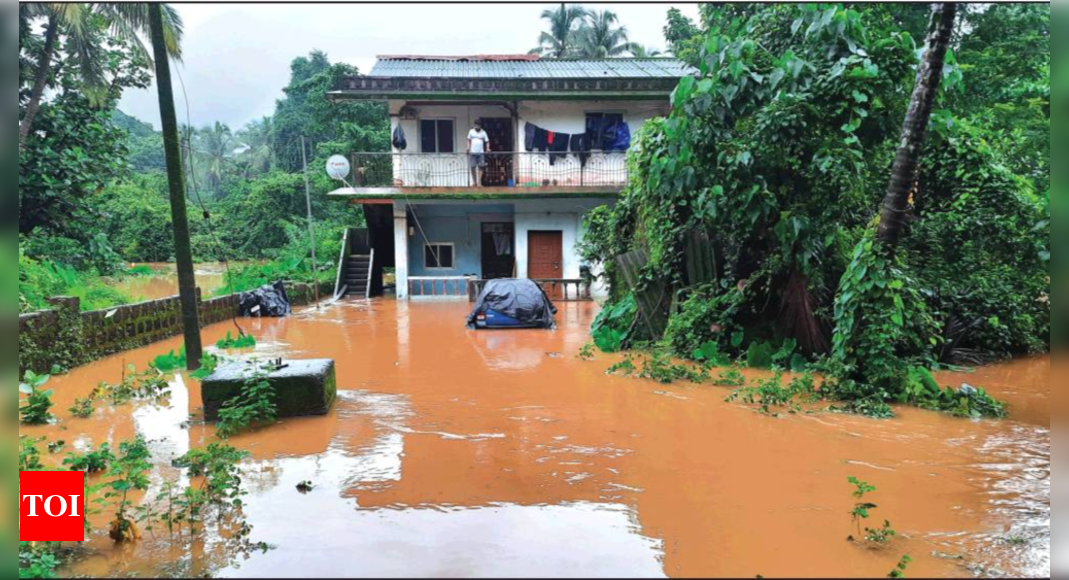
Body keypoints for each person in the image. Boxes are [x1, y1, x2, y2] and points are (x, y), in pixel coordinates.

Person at [467, 120, 491, 187]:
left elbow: (487, 141)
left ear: (480, 126)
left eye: (478, 125)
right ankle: (474, 182)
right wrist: (468, 148)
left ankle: (479, 183)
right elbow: (468, 140)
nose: (477, 126)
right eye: (476, 125)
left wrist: (488, 148)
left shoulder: (483, 132)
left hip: (480, 152)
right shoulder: (471, 131)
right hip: (472, 152)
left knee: (481, 167)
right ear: (474, 125)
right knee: (472, 167)